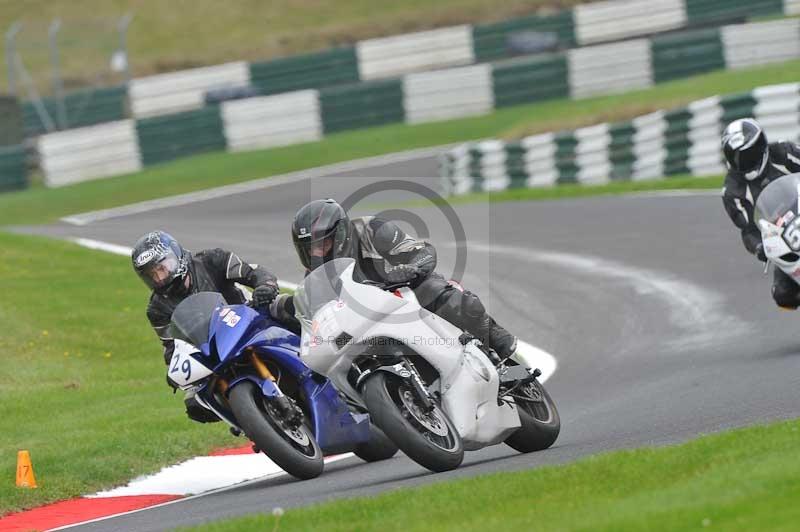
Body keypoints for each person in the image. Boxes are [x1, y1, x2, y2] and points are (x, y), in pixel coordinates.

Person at [275, 199, 518, 361]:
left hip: (406, 293)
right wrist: (284, 306)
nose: (318, 252)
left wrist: (410, 269)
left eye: (322, 243)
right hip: (373, 323)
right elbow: (315, 317)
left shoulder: (372, 229)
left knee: (439, 291)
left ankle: (495, 336)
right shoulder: (315, 278)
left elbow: (422, 251)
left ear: (339, 233)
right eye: (310, 248)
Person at [132, 230, 282, 422]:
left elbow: (254, 272)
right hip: (214, 351)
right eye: (151, 275)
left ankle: (318, 354)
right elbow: (171, 346)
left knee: (284, 306)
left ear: (176, 256)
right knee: (196, 400)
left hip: (250, 318)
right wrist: (174, 370)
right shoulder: (157, 309)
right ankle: (249, 424)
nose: (159, 278)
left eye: (162, 268)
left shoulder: (212, 260)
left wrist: (265, 286)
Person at [721, 118, 800, 308]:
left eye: (749, 153)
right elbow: (747, 230)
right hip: (786, 240)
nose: (744, 161)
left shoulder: (784, 153)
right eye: (738, 157)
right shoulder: (733, 191)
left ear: (761, 145)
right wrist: (759, 248)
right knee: (783, 296)